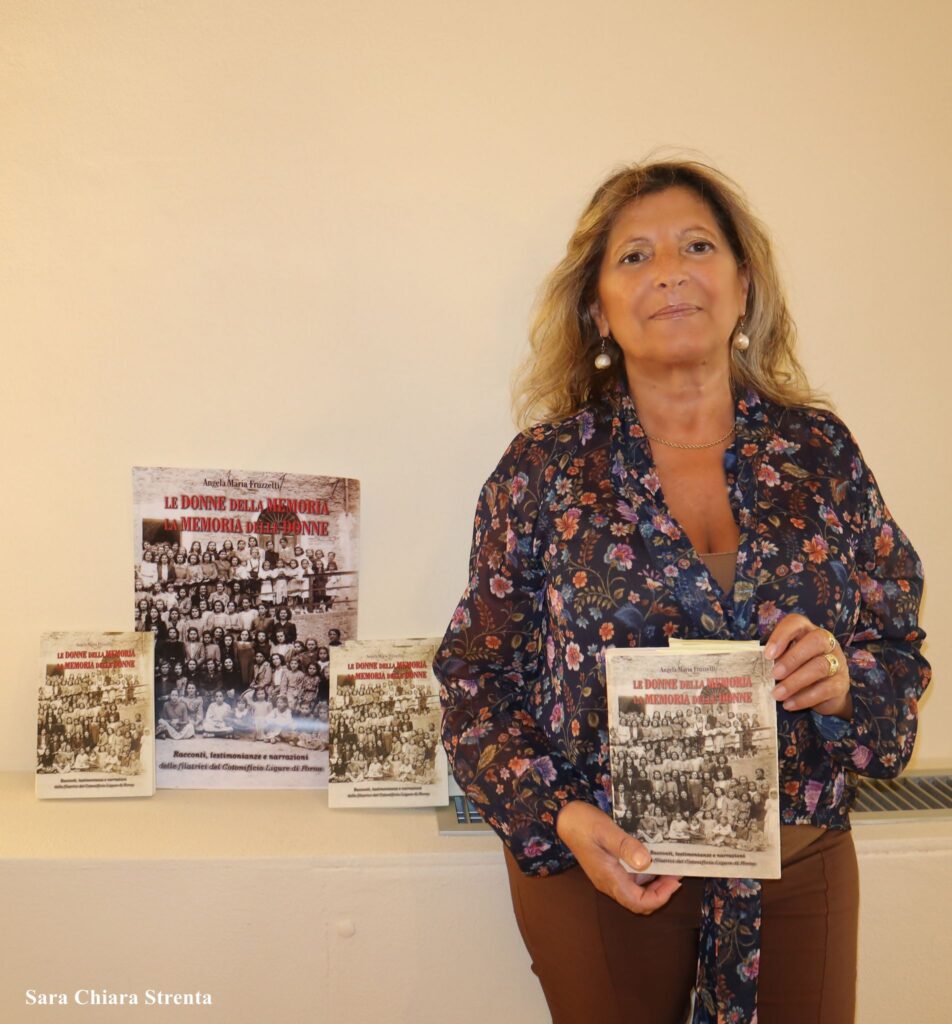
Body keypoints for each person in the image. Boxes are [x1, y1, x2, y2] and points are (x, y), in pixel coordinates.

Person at [433, 160, 929, 1024]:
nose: (669, 271)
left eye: (697, 246)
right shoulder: (544, 471)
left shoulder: (821, 455)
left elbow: (895, 646)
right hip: (604, 875)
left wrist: (845, 683)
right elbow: (476, 679)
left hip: (797, 866)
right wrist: (562, 816)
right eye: (635, 256)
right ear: (598, 310)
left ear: (744, 286)